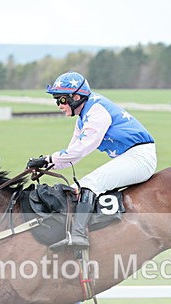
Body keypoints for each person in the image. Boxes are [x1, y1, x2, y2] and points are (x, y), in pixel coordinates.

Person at [27, 71, 157, 251]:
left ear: (76, 97)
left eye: (62, 100)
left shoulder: (97, 111)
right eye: (57, 100)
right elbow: (73, 153)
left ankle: (78, 235)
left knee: (89, 183)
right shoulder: (83, 116)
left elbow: (82, 148)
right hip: (130, 156)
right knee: (84, 185)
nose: (59, 105)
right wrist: (46, 164)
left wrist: (48, 159)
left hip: (139, 157)